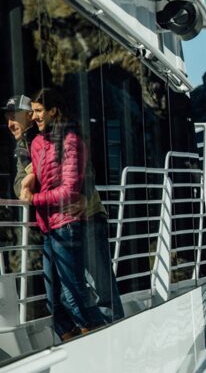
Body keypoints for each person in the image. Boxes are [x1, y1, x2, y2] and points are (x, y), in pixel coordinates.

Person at [21, 88, 121, 342]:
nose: (34, 117)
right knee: (57, 299)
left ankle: (110, 338)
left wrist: (34, 199)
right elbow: (29, 175)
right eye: (32, 112)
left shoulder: (71, 140)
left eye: (39, 111)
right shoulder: (37, 142)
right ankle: (78, 340)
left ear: (54, 110)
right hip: (49, 227)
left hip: (73, 221)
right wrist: (27, 183)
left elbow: (70, 187)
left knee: (81, 291)